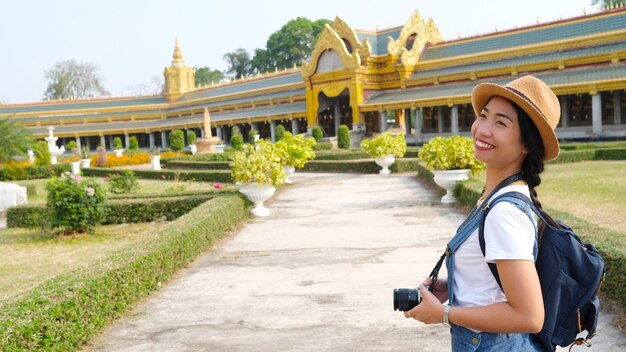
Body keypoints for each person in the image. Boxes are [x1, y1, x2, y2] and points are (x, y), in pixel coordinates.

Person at [404, 75, 561, 351]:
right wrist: (455, 285)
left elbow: (529, 316)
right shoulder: (495, 197)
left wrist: (444, 314)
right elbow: (497, 282)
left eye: (501, 123)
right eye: (484, 116)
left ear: (527, 144)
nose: (482, 129)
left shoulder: (503, 213)